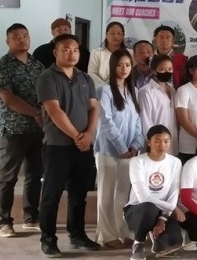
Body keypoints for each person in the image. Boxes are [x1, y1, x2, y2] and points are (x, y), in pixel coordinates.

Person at [36, 34, 101, 256]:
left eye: (75, 50)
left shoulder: (85, 78)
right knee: (51, 195)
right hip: (57, 147)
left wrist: (89, 133)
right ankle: (48, 239)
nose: (71, 53)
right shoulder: (47, 77)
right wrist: (77, 136)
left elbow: (94, 108)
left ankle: (78, 235)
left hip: (83, 146)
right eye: (65, 49)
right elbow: (54, 111)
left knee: (79, 194)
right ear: (55, 52)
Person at [0, 23, 44, 238]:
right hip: (14, 130)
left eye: (25, 35)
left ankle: (31, 217)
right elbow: (8, 98)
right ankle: (4, 221)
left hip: (38, 129)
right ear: (8, 41)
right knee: (8, 177)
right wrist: (36, 112)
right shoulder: (1, 66)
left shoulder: (38, 65)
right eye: (16, 37)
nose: (22, 40)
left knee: (34, 174)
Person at [94, 49, 144, 247]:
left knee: (123, 194)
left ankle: (122, 231)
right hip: (108, 150)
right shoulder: (104, 90)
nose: (124, 69)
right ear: (112, 66)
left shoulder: (133, 90)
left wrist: (135, 145)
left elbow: (139, 121)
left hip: (129, 152)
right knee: (106, 193)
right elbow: (106, 121)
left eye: (127, 65)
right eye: (119, 65)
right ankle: (106, 236)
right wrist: (122, 147)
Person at [125, 125, 184, 259]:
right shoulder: (137, 161)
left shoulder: (175, 162)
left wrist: (162, 219)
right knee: (148, 208)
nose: (162, 145)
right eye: (157, 141)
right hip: (138, 210)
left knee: (174, 239)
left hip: (162, 211)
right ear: (148, 142)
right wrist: (173, 208)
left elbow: (174, 192)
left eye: (166, 141)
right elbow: (143, 197)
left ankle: (157, 240)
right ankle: (138, 243)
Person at [138, 54, 178, 155]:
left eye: (170, 69)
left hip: (172, 142)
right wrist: (153, 142)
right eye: (162, 69)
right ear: (153, 71)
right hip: (155, 144)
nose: (167, 72)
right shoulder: (146, 91)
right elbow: (145, 120)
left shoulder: (172, 89)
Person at [88, 21, 129, 87]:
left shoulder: (130, 53)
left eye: (119, 33)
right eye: (112, 33)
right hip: (101, 90)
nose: (115, 36)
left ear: (123, 36)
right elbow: (92, 73)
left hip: (124, 89)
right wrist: (107, 87)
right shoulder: (97, 52)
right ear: (106, 35)